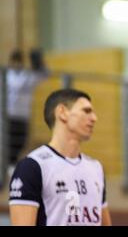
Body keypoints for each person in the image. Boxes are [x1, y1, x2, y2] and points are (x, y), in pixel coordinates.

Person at [8, 89, 112, 226]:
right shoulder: (32, 166)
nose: (94, 118)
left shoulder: (96, 167)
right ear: (62, 113)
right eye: (86, 111)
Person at [6, 49, 48, 167]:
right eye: (14, 61)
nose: (16, 64)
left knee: (20, 143)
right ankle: (7, 168)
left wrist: (39, 63)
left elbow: (44, 74)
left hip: (23, 116)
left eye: (19, 61)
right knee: (7, 145)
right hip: (8, 116)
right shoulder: (5, 75)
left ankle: (11, 167)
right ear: (10, 62)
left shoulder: (27, 75)